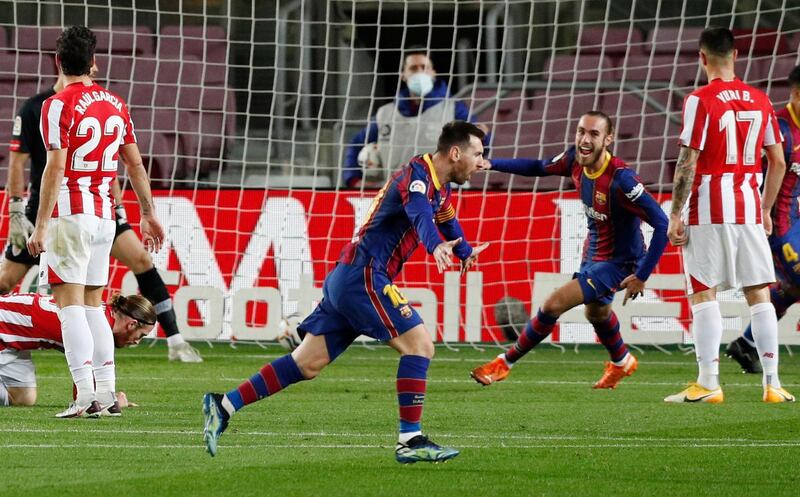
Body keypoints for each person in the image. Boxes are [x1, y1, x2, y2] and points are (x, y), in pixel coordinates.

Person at [203, 121, 489, 463]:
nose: (482, 163)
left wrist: (463, 251)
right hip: (365, 276)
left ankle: (224, 405)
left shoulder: (441, 188)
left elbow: (445, 220)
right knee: (420, 346)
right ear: (455, 153)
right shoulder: (418, 176)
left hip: (348, 276)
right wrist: (434, 247)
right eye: (478, 154)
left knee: (307, 364)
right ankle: (410, 440)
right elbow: (420, 216)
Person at [2, 57, 201, 363]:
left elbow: (110, 164)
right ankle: (95, 390)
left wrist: (120, 207)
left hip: (93, 206)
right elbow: (20, 163)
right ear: (90, 63)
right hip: (48, 209)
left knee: (138, 260)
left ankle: (174, 338)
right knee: (10, 282)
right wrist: (17, 210)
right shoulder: (37, 107)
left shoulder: (94, 102)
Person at [469, 111, 669, 389]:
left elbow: (662, 224)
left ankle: (504, 363)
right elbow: (538, 166)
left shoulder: (623, 180)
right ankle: (622, 362)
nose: (584, 140)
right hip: (594, 252)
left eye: (594, 134)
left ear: (608, 139)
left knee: (553, 304)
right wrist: (492, 164)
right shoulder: (574, 160)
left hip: (622, 262)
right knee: (596, 314)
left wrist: (643, 274)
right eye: (580, 132)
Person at [26, 25, 166, 418]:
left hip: (70, 217)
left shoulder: (56, 104)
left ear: (57, 62)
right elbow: (134, 162)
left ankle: (85, 395)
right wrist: (149, 212)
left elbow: (54, 169)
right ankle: (106, 396)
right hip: (105, 217)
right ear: (94, 62)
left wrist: (40, 225)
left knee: (69, 307)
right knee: (93, 306)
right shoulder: (116, 104)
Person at [665, 27, 794, 404]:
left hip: (709, 208)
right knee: (759, 294)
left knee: (704, 293)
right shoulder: (761, 99)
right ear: (735, 55)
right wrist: (766, 208)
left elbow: (687, 160)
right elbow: (779, 160)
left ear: (702, 58)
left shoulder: (699, 99)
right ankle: (772, 384)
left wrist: (676, 213)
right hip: (749, 207)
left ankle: (708, 383)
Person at [725, 65, 800, 374]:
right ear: (796, 94)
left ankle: (745, 343)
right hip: (777, 225)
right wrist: (760, 211)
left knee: (794, 289)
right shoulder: (779, 129)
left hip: (797, 221)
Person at [342, 48, 488, 188]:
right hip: (400, 198)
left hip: (446, 198)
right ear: (403, 75)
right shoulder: (385, 114)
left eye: (424, 67)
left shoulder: (454, 110)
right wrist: (353, 179)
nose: (419, 72)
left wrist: (484, 138)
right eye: (413, 68)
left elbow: (479, 147)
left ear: (433, 73)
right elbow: (356, 143)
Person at [0, 293, 155, 413]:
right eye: (141, 335)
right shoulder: (97, 329)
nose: (137, 342)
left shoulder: (99, 314)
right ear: (131, 324)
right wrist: (111, 401)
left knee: (23, 397)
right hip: (4, 325)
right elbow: (85, 397)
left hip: (13, 338)